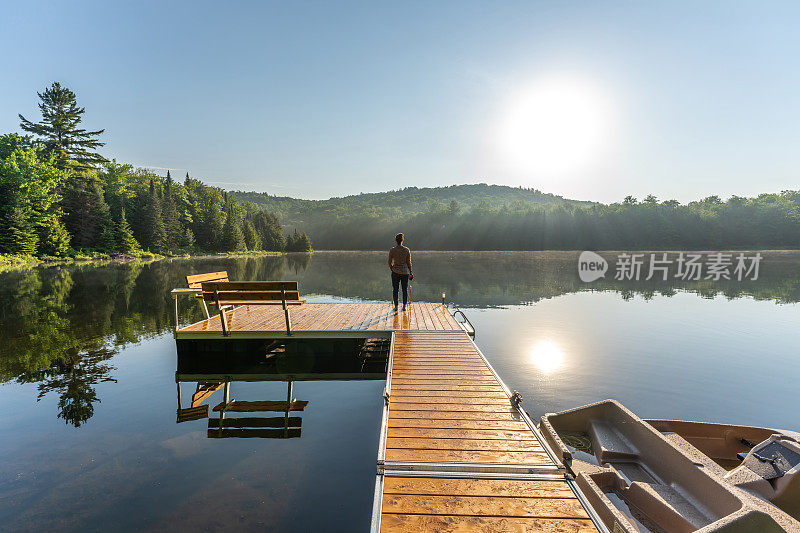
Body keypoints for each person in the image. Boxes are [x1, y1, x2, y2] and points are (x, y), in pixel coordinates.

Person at [388, 233, 412, 310]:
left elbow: (389, 262)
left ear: (396, 240)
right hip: (405, 272)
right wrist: (410, 272)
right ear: (402, 240)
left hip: (395, 271)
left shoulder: (392, 250)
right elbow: (408, 262)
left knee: (395, 289)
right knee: (404, 290)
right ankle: (404, 306)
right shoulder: (406, 250)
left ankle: (396, 306)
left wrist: (392, 268)